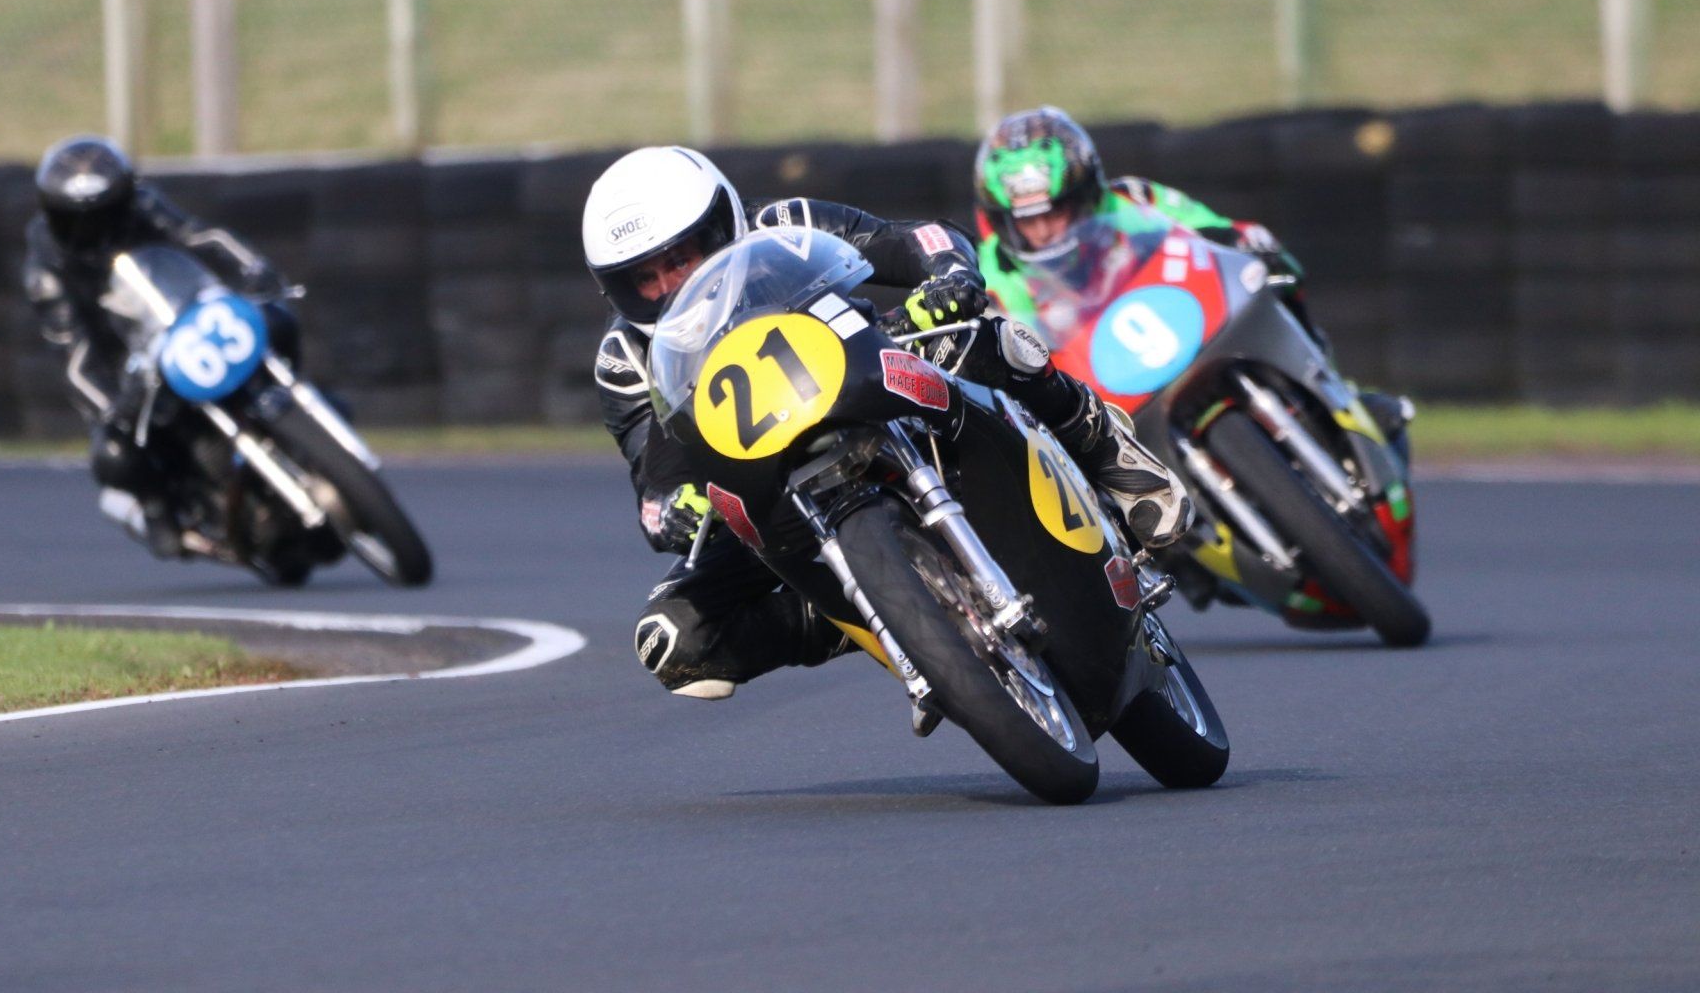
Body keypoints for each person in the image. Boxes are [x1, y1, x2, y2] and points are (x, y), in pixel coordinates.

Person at [582, 145, 1192, 703]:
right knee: (671, 637)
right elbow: (653, 482)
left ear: (719, 228)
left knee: (979, 337)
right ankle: (885, 612)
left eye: (680, 258)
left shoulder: (781, 228)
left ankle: (1107, 450)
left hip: (872, 380)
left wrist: (950, 277)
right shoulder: (625, 360)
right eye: (644, 276)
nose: (668, 286)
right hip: (770, 483)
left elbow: (915, 239)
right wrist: (675, 508)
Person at [970, 106, 1411, 447]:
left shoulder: (1128, 200)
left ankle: (1338, 395)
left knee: (1274, 267)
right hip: (1105, 389)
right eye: (1028, 221)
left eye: (1057, 211)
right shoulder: (992, 271)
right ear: (1002, 221)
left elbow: (1207, 227)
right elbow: (1003, 339)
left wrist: (1243, 239)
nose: (1045, 231)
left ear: (1084, 196)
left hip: (1188, 323)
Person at [22, 134, 293, 558]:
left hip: (185, 318)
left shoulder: (145, 207)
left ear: (127, 197)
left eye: (108, 214)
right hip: (131, 365)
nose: (96, 231)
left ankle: (293, 404)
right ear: (52, 216)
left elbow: (202, 237)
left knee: (277, 320)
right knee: (114, 453)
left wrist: (254, 271)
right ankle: (157, 511)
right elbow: (75, 358)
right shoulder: (47, 272)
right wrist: (112, 407)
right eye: (77, 221)